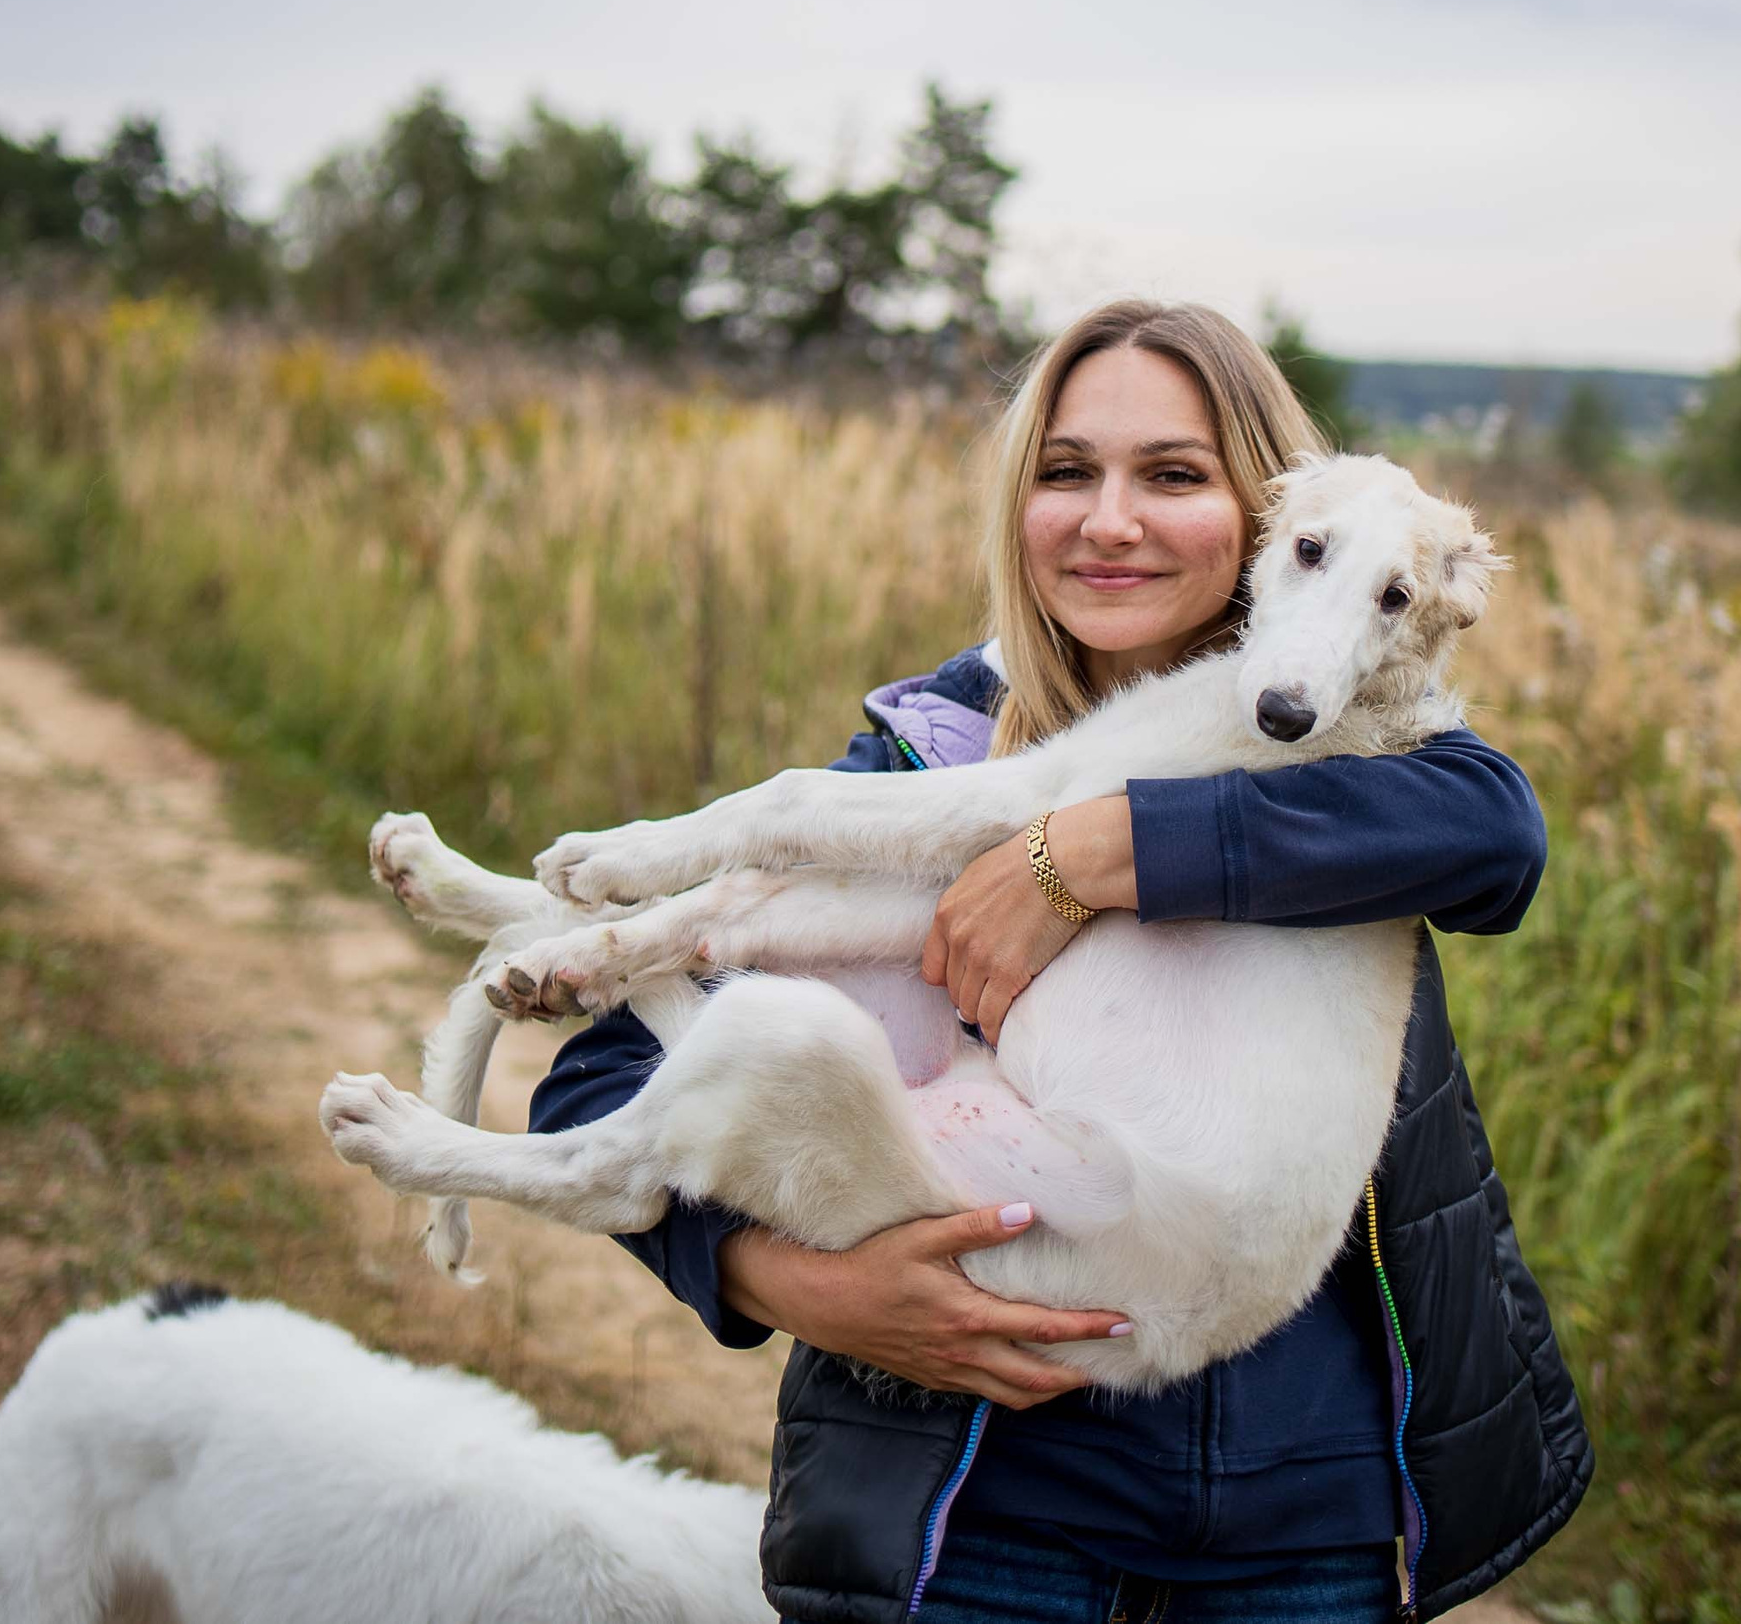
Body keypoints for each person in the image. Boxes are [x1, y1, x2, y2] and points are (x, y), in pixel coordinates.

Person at [528, 299, 1590, 1624]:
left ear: (1266, 518)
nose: (1109, 520)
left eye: (1174, 475)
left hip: (1303, 1524)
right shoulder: (930, 752)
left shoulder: (1356, 752)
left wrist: (1086, 853)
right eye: (1066, 471)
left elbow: (1498, 833)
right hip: (977, 1509)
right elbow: (596, 1088)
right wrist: (804, 1286)